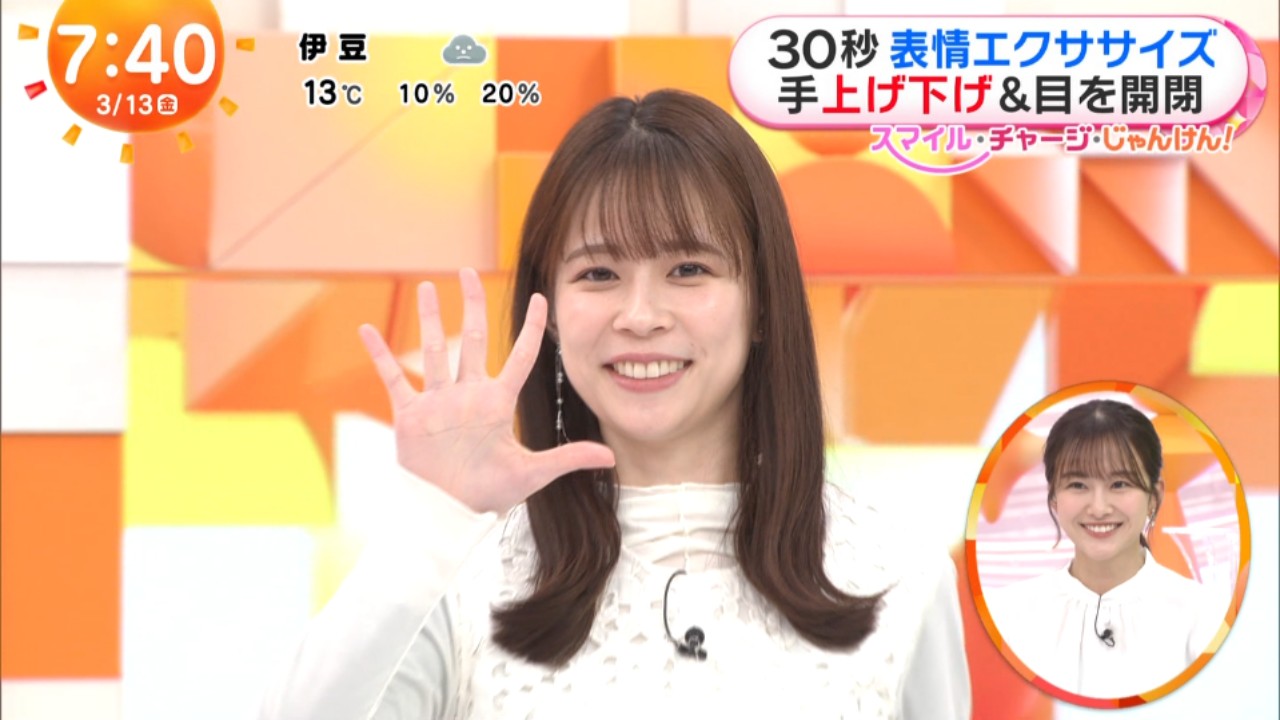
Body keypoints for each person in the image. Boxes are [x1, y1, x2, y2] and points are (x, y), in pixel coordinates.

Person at [258, 89, 970, 719]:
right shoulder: (463, 573)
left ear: (761, 302)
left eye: (687, 269)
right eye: (599, 274)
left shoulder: (899, 578)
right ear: (550, 311)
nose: (640, 316)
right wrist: (434, 521)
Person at [985, 399, 1227, 699]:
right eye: (1078, 485)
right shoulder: (1006, 614)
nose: (1098, 508)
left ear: (1154, 496)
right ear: (1054, 498)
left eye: (1120, 484)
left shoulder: (1204, 616)